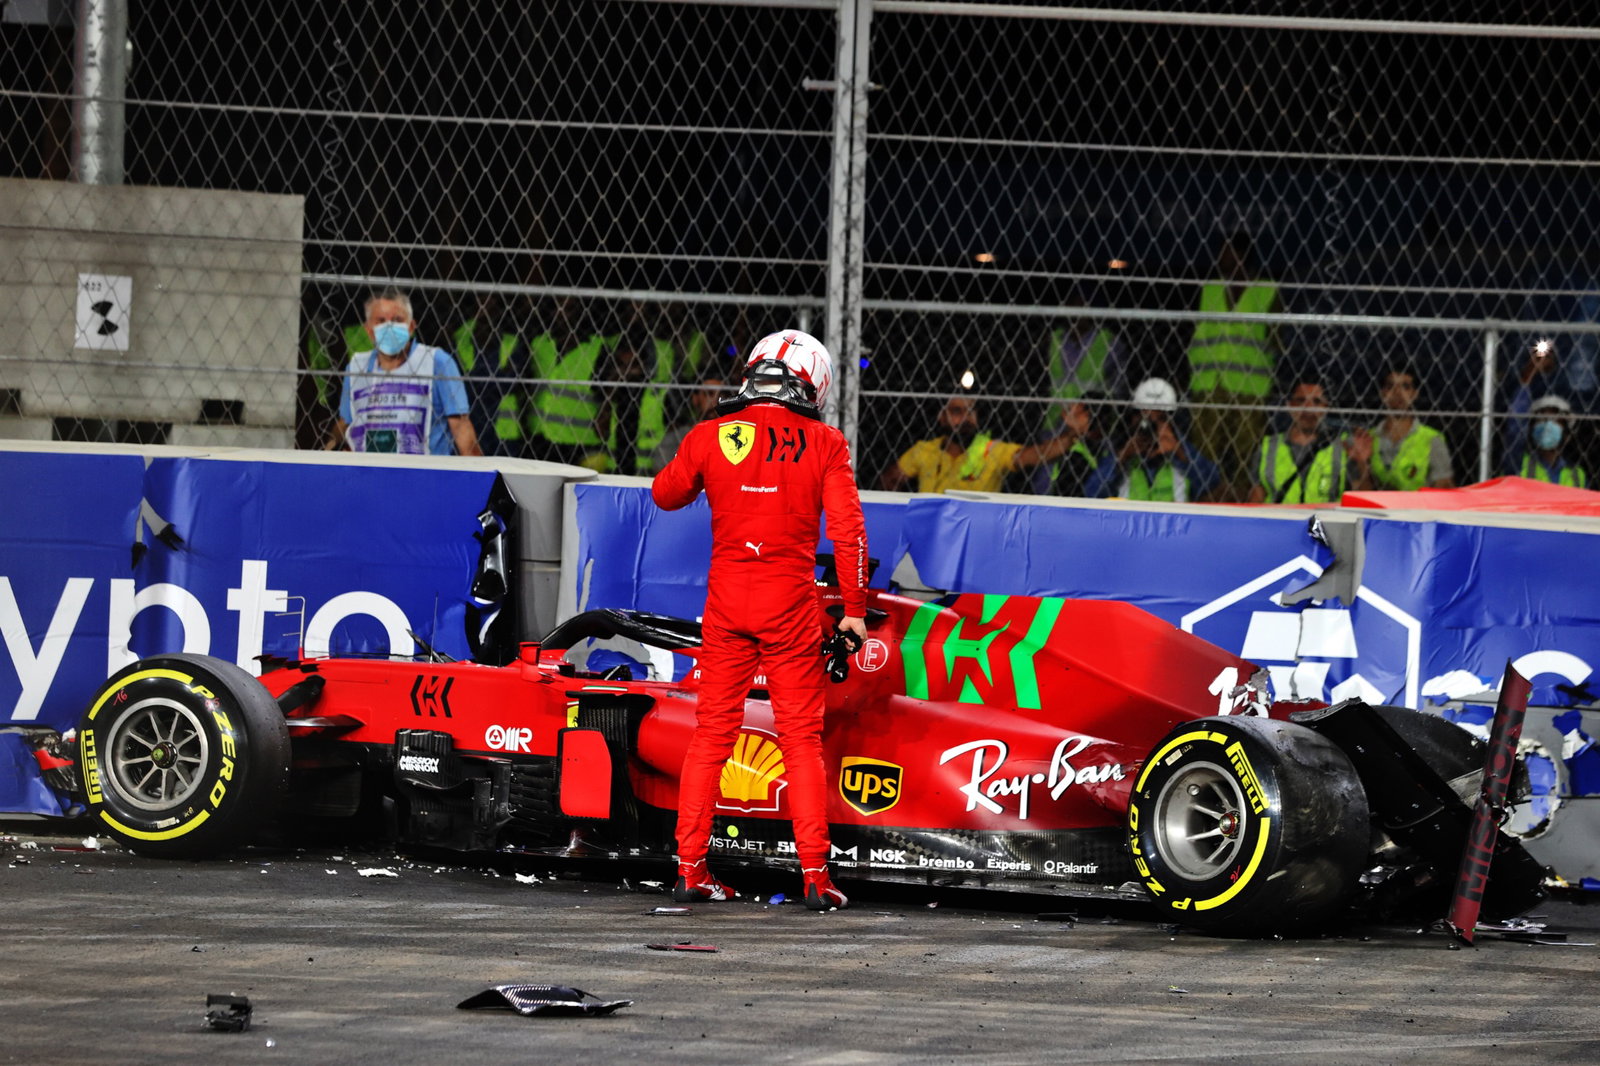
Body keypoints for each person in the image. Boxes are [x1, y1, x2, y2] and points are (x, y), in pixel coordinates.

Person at [651, 329, 867, 912]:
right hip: (789, 609)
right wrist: (852, 611)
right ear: (814, 381)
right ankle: (816, 879)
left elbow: (664, 494)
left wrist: (709, 460)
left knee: (711, 738)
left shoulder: (709, 435)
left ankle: (691, 869)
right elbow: (847, 533)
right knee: (800, 741)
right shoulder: (825, 443)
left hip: (726, 606)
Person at [327, 289, 483, 456]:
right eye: (381, 321)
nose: (389, 327)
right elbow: (346, 422)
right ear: (369, 330)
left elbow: (460, 427)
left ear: (411, 327)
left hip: (423, 475)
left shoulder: (436, 362)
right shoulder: (356, 368)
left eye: (397, 320)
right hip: (368, 474)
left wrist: (482, 477)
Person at [1186, 231, 1280, 498]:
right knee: (1204, 450)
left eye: (1227, 252)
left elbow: (1277, 340)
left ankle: (1241, 502)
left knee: (1246, 453)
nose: (1221, 258)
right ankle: (1204, 499)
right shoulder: (1210, 288)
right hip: (1209, 385)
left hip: (1250, 387)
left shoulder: (1266, 291)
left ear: (1241, 255)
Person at [879, 395, 1082, 494]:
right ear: (941, 418)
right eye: (957, 412)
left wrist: (1072, 433)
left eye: (971, 411)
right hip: (928, 531)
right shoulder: (925, 450)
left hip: (975, 534)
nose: (966, 418)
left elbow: (1032, 456)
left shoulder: (990, 449)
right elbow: (890, 480)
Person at [1086, 378, 1220, 502]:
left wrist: (1180, 454)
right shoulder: (1121, 453)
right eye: (1146, 419)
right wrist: (1121, 459)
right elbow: (1092, 492)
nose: (1151, 428)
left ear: (1171, 422)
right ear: (1133, 419)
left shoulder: (1181, 452)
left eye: (1160, 419)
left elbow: (1212, 484)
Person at [1246, 377, 1372, 504]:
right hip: (1279, 521)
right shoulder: (1269, 446)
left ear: (1326, 408)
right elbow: (1257, 494)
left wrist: (1362, 463)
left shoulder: (1342, 447)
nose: (1308, 408)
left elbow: (1363, 499)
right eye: (1300, 401)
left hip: (1323, 522)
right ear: (1289, 406)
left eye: (1316, 402)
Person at [1369, 364, 1453, 491]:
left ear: (1415, 394)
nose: (1397, 393)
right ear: (1382, 393)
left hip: (1418, 509)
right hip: (1375, 510)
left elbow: (1443, 487)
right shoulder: (1368, 438)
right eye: (1390, 386)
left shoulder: (1431, 439)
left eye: (1405, 387)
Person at [1507, 393, 1589, 487]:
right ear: (1532, 429)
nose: (1547, 425)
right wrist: (1524, 386)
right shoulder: (1520, 463)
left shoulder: (1577, 475)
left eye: (1555, 420)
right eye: (1541, 419)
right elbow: (1514, 429)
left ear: (1567, 435)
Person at [651, 375, 727, 472]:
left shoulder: (728, 438)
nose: (715, 402)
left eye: (722, 396)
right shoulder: (676, 438)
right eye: (709, 394)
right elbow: (659, 472)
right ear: (695, 399)